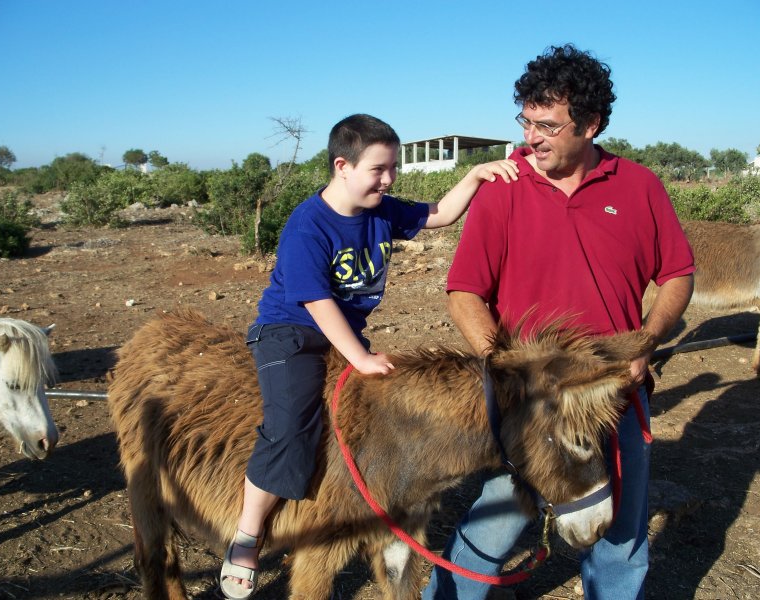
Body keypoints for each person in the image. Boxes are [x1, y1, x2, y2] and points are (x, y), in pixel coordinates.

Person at [422, 45, 695, 600]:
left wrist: (645, 341)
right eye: (525, 121)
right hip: (530, 401)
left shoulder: (639, 186)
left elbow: (678, 275)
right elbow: (464, 292)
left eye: (547, 125)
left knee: (619, 536)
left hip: (613, 393)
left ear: (591, 124)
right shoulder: (504, 189)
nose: (531, 137)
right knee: (492, 525)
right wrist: (506, 368)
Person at [219, 113, 519, 599]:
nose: (389, 178)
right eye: (379, 169)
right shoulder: (308, 223)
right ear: (343, 165)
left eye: (393, 168)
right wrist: (358, 356)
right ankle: (248, 537)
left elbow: (439, 214)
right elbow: (315, 301)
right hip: (290, 333)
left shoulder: (381, 211)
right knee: (290, 425)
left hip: (342, 333)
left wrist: (475, 176)